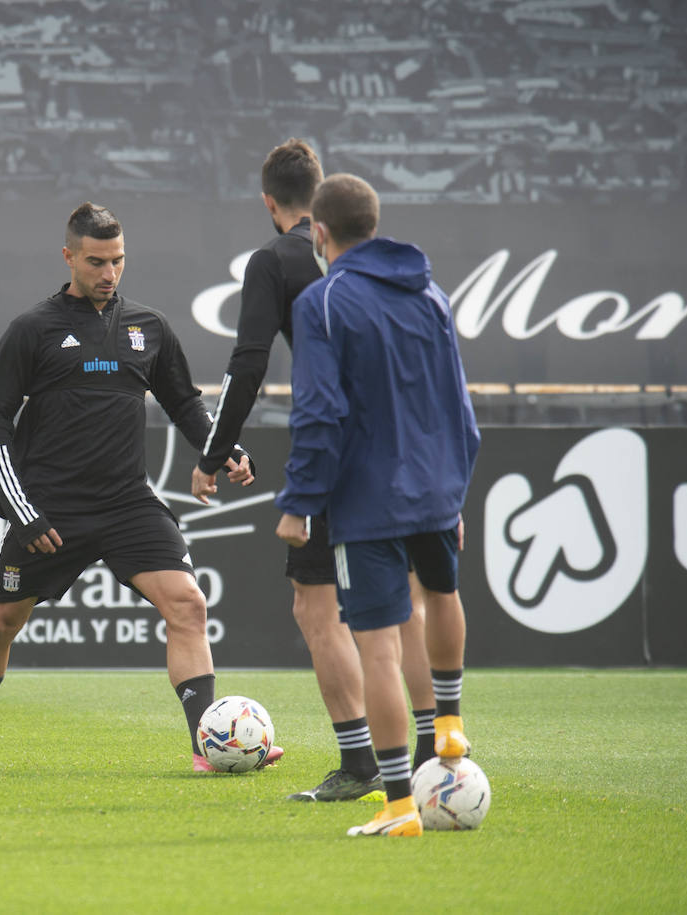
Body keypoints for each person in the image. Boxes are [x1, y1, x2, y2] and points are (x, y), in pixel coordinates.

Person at [0, 202, 272, 772]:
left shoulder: (148, 327)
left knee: (188, 604)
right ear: (69, 257)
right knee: (1, 622)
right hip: (50, 511)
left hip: (128, 503)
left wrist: (223, 447)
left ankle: (206, 747)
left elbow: (183, 402)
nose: (109, 273)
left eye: (118, 261)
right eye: (97, 261)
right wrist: (21, 509)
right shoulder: (33, 329)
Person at [191, 140, 437, 802]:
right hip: (413, 457)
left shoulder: (276, 261)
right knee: (410, 606)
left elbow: (249, 363)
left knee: (318, 605)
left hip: (340, 459)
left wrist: (213, 453)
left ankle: (363, 761)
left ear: (271, 202)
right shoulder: (396, 267)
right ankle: (432, 747)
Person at [274, 173, 479, 837]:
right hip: (434, 491)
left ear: (318, 231)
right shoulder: (433, 291)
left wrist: (300, 503)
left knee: (381, 648)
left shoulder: (323, 302)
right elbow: (459, 405)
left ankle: (397, 803)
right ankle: (448, 723)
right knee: (441, 599)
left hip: (366, 500)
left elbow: (319, 412)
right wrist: (455, 490)